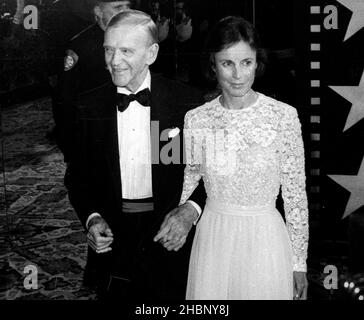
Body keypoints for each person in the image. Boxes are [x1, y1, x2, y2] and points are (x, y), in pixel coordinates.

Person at [156, 16, 309, 300]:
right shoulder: (197, 118)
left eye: (246, 63)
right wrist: (181, 225)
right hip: (213, 238)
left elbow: (296, 197)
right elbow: (191, 180)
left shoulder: (283, 117)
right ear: (213, 65)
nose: (238, 75)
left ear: (256, 63)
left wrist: (299, 262)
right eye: (227, 63)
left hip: (265, 239)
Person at [66, 9, 206, 300]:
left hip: (171, 234)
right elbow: (77, 178)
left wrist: (189, 212)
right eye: (108, 50)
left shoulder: (187, 102)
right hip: (114, 239)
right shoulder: (88, 105)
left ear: (151, 53)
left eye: (126, 50)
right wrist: (92, 219)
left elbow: (213, 173)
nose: (114, 61)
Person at [56, 0, 134, 162]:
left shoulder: (136, 38)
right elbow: (66, 97)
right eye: (118, 7)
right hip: (95, 127)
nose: (125, 12)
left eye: (128, 6)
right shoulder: (81, 45)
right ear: (98, 11)